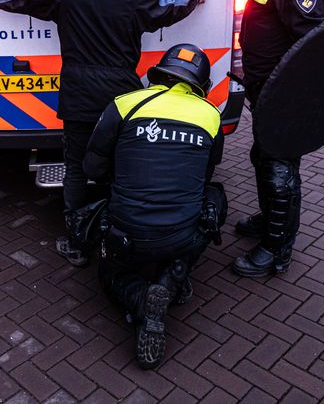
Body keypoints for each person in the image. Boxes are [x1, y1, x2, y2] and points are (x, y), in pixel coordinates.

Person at [0, 0, 212, 266]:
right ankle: (116, 235)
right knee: (120, 167)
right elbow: (171, 5)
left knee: (77, 169)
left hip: (77, 97)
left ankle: (77, 243)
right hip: (121, 101)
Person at [83, 43, 227, 369]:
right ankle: (171, 277)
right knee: (215, 198)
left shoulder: (124, 105)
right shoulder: (211, 116)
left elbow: (92, 170)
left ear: (159, 74)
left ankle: (139, 295)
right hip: (181, 234)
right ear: (200, 84)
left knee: (110, 274)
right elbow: (205, 175)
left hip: (126, 232)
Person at [223, 0, 324, 277]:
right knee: (263, 158)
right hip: (269, 93)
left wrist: (293, 100)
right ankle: (270, 220)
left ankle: (277, 247)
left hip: (287, 98)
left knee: (279, 168)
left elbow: (315, 48)